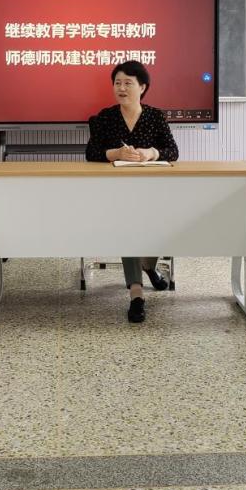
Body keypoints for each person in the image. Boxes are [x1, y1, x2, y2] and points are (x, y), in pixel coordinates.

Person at [85, 61, 179, 323]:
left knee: (164, 220)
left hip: (152, 191)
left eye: (128, 83)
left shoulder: (155, 116)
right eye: (117, 83)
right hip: (116, 192)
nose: (121, 88)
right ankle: (136, 292)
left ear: (142, 87)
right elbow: (91, 153)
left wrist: (151, 153)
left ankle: (148, 265)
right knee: (128, 222)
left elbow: (173, 151)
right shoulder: (105, 117)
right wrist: (115, 153)